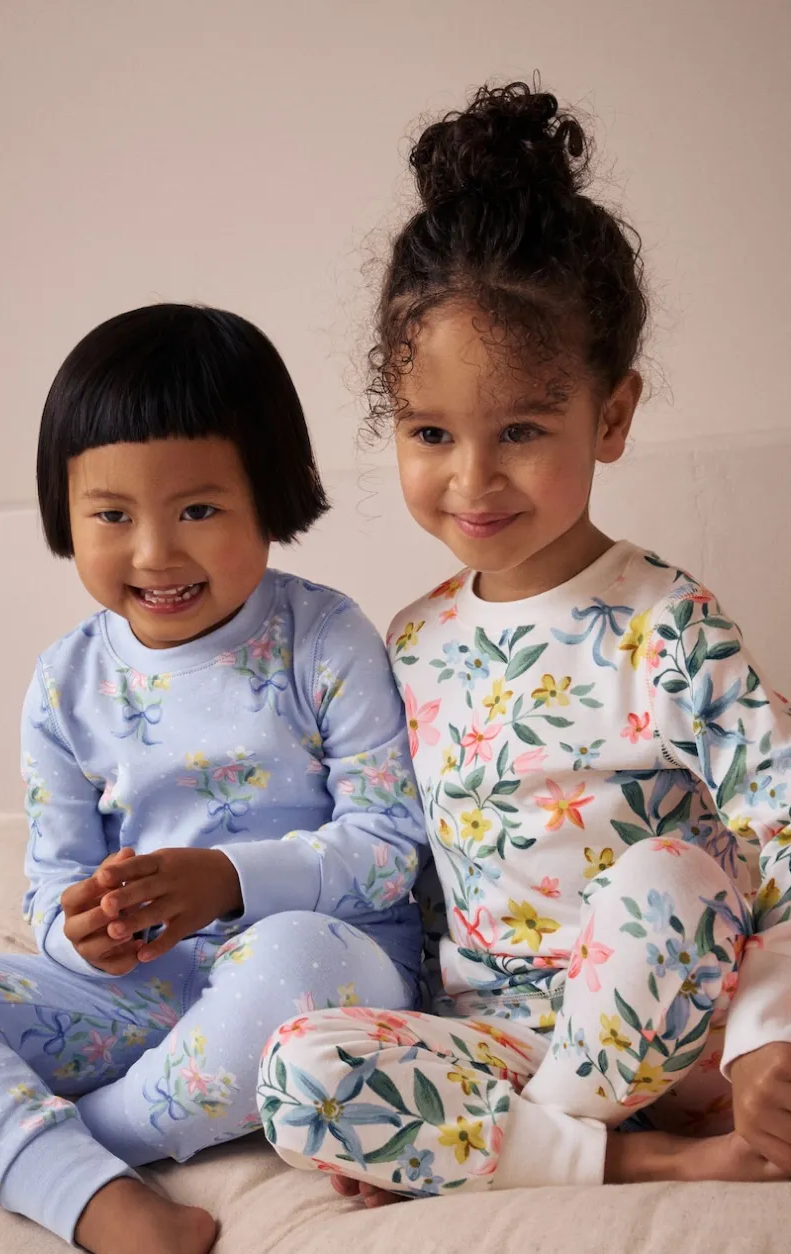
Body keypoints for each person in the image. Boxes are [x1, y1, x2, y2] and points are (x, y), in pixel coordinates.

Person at [258, 80, 791, 1200]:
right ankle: (617, 1155)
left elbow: (780, 828)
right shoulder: (408, 641)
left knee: (670, 877)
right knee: (297, 1074)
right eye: (430, 433)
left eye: (520, 431)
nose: (472, 478)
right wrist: (402, 1078)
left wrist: (763, 1037)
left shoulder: (666, 624)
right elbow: (415, 881)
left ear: (611, 416)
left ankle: (519, 1148)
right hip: (500, 1037)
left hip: (676, 1023)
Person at [0, 304, 428, 1253]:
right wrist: (81, 937)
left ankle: (79, 1146)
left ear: (270, 495)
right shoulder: (64, 684)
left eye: (198, 509)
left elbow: (391, 848)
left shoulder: (325, 639)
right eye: (113, 516)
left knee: (293, 962)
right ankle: (99, 1196)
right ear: (66, 514)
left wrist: (228, 881)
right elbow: (52, 885)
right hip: (144, 995)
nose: (155, 552)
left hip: (315, 972)